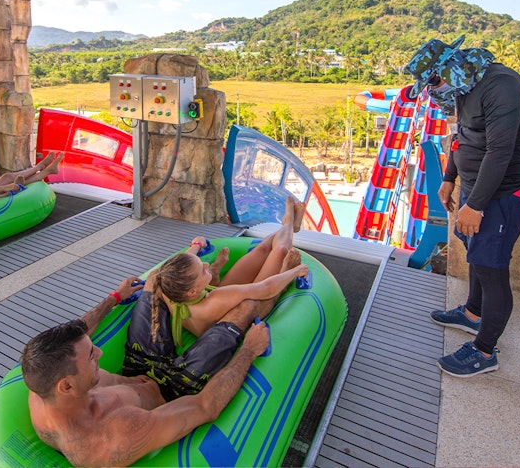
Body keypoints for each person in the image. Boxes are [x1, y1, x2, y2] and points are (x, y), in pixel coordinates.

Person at [22, 278, 270, 467]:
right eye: (90, 355)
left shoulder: (43, 378)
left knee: (155, 280)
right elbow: (206, 406)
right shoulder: (112, 437)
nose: (99, 353)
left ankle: (214, 281)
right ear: (66, 386)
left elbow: (77, 334)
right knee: (246, 307)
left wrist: (115, 297)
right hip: (175, 387)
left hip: (139, 365)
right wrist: (248, 349)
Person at [404, 35, 520, 377]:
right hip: (475, 189)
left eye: (433, 80)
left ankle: (484, 350)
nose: (434, 90)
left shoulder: (501, 86)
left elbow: (500, 152)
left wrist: (475, 205)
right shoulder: (465, 87)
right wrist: (450, 178)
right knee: (475, 254)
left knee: (491, 267)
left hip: (502, 195)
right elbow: (461, 135)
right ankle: (472, 314)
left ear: (450, 65)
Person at [123, 196, 308, 399]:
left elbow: (168, 270)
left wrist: (195, 246)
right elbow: (265, 288)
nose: (205, 264)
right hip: (225, 309)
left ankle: (290, 225)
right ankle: (289, 224)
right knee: (279, 250)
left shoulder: (170, 290)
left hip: (206, 306)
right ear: (192, 291)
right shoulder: (218, 298)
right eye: (203, 270)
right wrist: (292, 271)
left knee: (263, 248)